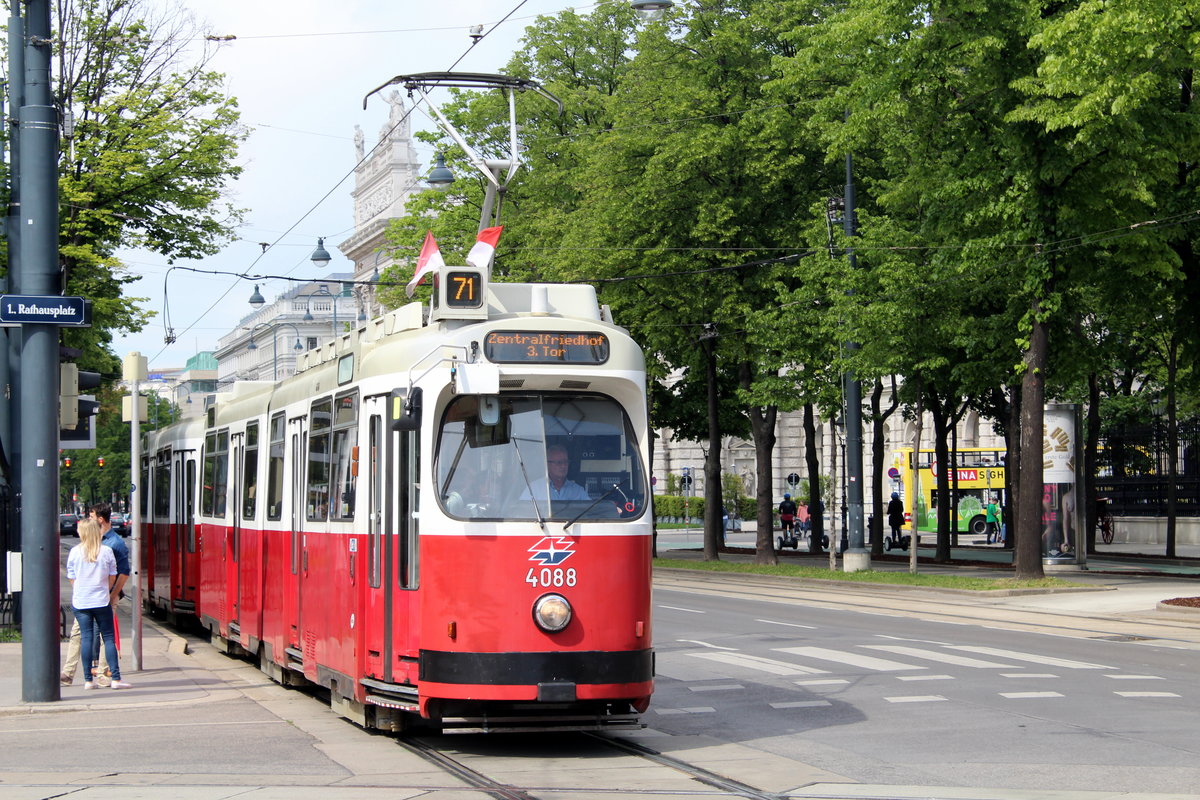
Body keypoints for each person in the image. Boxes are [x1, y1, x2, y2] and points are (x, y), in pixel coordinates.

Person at [61, 504, 130, 687]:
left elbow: (124, 573)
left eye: (91, 517)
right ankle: (71, 672)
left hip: (90, 599)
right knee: (99, 636)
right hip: (100, 598)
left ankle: (94, 676)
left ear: (99, 520)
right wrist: (104, 591)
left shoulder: (114, 543)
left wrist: (111, 594)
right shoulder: (104, 549)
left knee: (87, 636)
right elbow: (113, 575)